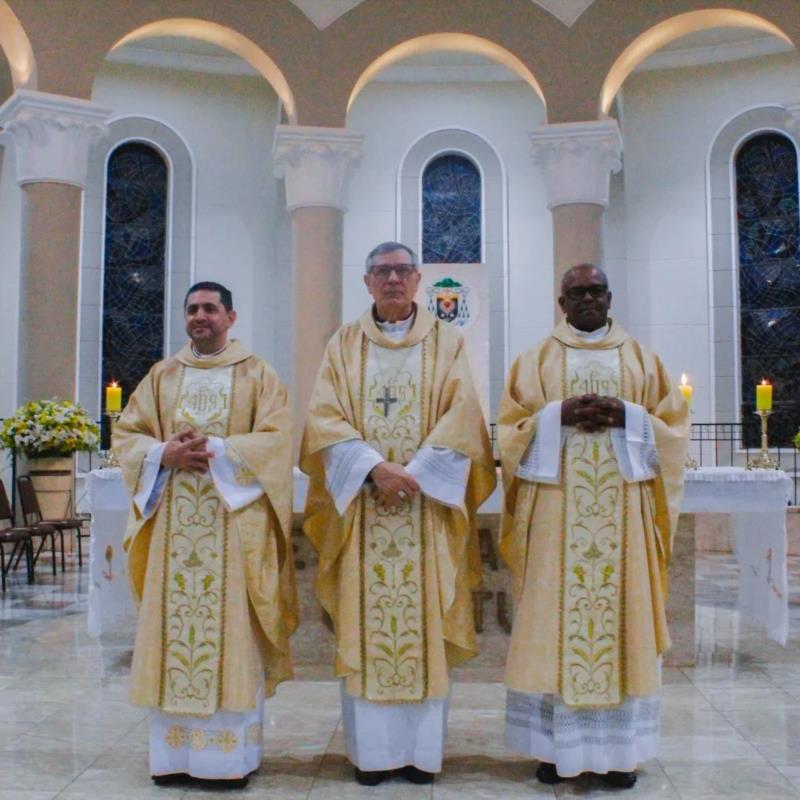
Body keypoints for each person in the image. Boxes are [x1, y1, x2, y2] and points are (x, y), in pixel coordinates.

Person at [301, 242, 496, 786]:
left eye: (402, 271)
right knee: (367, 625)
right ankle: (373, 757)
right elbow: (323, 417)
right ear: (366, 283)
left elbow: (464, 415)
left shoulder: (447, 341)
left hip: (425, 511)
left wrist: (413, 475)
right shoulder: (343, 344)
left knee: (424, 623)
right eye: (381, 272)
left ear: (417, 280)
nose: (392, 280)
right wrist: (372, 469)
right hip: (363, 510)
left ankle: (420, 756)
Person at [498, 264, 689, 789]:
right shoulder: (535, 360)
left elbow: (673, 432)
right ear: (561, 302)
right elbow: (508, 432)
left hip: (624, 518)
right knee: (553, 623)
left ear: (610, 297)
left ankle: (619, 753)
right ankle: (554, 750)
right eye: (576, 292)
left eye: (595, 291)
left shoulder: (642, 360)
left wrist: (627, 415)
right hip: (556, 512)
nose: (587, 300)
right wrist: (555, 415)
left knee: (622, 620)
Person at [114, 281, 298, 788]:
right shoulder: (161, 376)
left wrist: (215, 449)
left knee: (231, 638)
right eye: (192, 309)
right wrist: (162, 455)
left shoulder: (258, 374)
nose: (200, 317)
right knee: (174, 634)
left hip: (232, 531)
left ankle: (227, 761)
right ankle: (172, 757)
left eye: (210, 308)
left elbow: (278, 441)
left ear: (231, 317)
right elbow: (127, 435)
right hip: (174, 529)